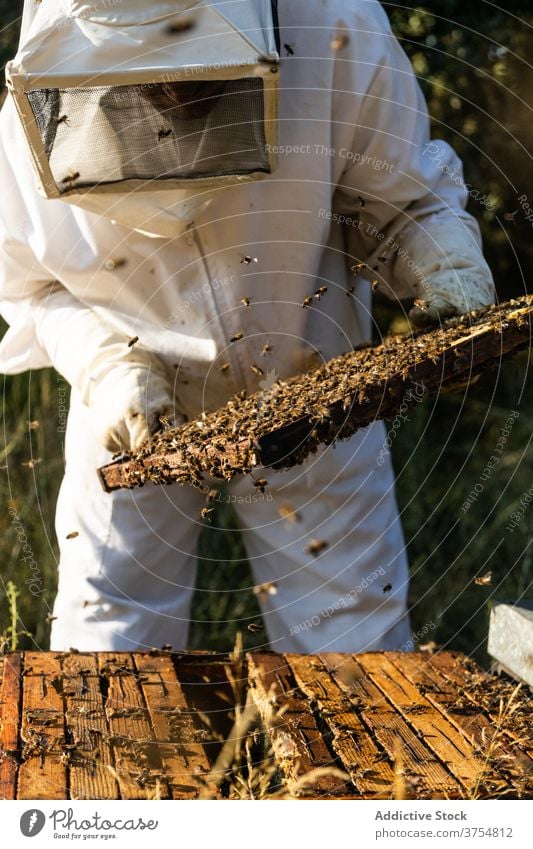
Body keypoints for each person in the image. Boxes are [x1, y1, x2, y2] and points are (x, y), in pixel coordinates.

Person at [0, 1, 494, 652]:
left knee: (355, 649)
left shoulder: (327, 23)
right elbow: (30, 286)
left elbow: (404, 200)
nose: (171, 100)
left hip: (311, 377)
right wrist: (107, 366)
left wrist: (443, 265)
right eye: (146, 82)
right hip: (130, 401)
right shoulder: (42, 83)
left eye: (187, 72)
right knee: (108, 643)